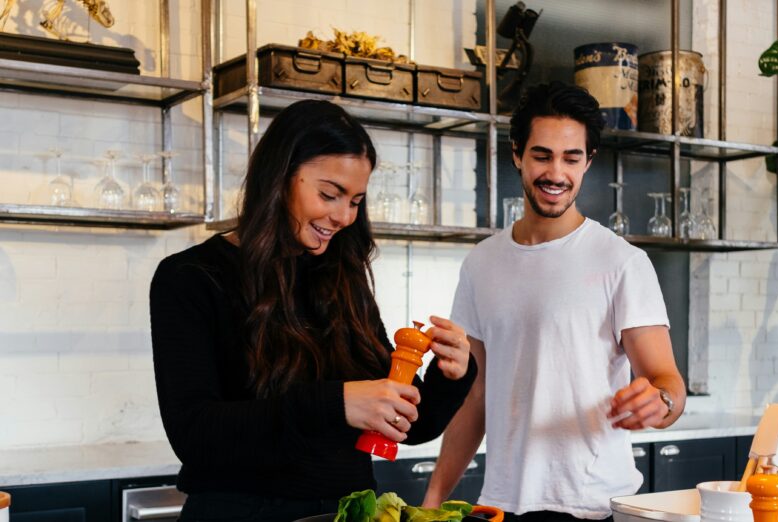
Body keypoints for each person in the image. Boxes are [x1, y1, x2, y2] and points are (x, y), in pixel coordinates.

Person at [149, 99, 477, 522]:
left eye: (356, 200)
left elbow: (401, 427)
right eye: (329, 194)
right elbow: (195, 434)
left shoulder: (344, 276)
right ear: (279, 177)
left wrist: (450, 376)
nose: (343, 216)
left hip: (348, 512)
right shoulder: (190, 277)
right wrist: (336, 403)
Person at [422, 82, 686, 521]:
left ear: (588, 162)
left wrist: (661, 404)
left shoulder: (622, 262)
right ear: (517, 155)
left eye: (571, 158)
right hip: (502, 504)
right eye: (542, 155)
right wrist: (433, 499)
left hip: (595, 506)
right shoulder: (481, 263)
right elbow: (475, 394)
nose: (556, 173)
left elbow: (667, 381)